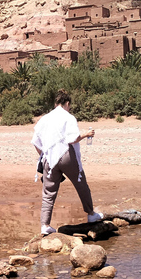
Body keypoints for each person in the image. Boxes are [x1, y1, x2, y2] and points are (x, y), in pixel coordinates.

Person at [32, 89, 103, 236]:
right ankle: (91, 214)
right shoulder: (68, 117)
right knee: (81, 184)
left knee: (48, 192)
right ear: (67, 103)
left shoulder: (44, 118)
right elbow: (72, 139)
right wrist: (86, 134)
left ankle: (45, 225)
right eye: (69, 106)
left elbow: (35, 142)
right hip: (66, 155)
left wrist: (44, 156)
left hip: (49, 159)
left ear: (55, 103)